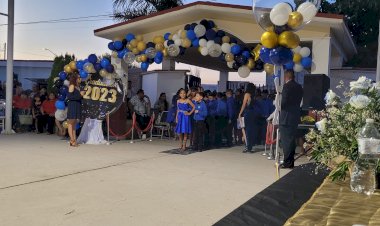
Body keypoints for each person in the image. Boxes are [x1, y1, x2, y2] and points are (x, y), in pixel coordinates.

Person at [280, 70, 303, 168]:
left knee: (286, 141)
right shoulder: (299, 87)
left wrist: (278, 105)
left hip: (286, 117)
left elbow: (284, 102)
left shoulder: (287, 86)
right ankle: (290, 162)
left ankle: (287, 163)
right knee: (291, 140)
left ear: (286, 76)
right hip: (294, 117)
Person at [238, 83, 256, 153]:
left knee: (246, 129)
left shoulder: (247, 94)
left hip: (247, 113)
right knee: (250, 130)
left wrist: (240, 113)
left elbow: (244, 104)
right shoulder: (253, 95)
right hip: (252, 113)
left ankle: (247, 146)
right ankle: (249, 146)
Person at [66, 73, 83, 147]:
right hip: (72, 105)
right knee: (71, 122)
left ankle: (74, 139)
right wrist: (80, 95)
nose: (80, 79)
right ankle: (72, 140)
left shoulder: (78, 87)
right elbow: (69, 97)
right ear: (75, 78)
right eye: (78, 77)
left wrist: (81, 96)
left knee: (74, 124)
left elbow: (78, 97)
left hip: (77, 105)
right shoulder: (72, 86)